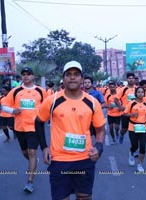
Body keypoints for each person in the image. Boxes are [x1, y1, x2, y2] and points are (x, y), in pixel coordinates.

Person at [35, 61, 106, 200]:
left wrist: (99, 147)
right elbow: (38, 122)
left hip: (84, 159)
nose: (72, 77)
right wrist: (44, 147)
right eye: (68, 74)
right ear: (63, 78)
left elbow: (100, 130)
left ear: (82, 78)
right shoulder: (52, 100)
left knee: (84, 197)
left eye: (76, 74)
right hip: (60, 160)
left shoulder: (92, 102)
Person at [2, 67, 47, 193]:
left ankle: (29, 182)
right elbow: (4, 105)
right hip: (20, 127)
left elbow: (46, 106)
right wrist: (13, 111)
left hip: (35, 128)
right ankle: (34, 162)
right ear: (21, 77)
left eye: (28, 74)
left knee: (32, 152)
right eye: (24, 74)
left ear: (33, 76)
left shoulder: (40, 91)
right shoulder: (15, 91)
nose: (26, 76)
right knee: (25, 153)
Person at [123, 86, 146, 172]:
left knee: (142, 146)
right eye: (138, 92)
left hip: (143, 127)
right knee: (135, 145)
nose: (140, 94)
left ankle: (140, 164)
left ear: (144, 93)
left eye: (142, 92)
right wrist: (131, 115)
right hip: (133, 127)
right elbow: (124, 114)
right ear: (136, 93)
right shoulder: (131, 103)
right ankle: (131, 153)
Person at [115, 72, 136, 144]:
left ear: (134, 79)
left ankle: (135, 145)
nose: (131, 80)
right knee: (124, 129)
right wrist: (120, 107)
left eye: (132, 78)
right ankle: (121, 134)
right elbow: (116, 99)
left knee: (135, 130)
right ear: (127, 79)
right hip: (125, 113)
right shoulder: (123, 89)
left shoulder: (137, 89)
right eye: (129, 78)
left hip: (135, 112)